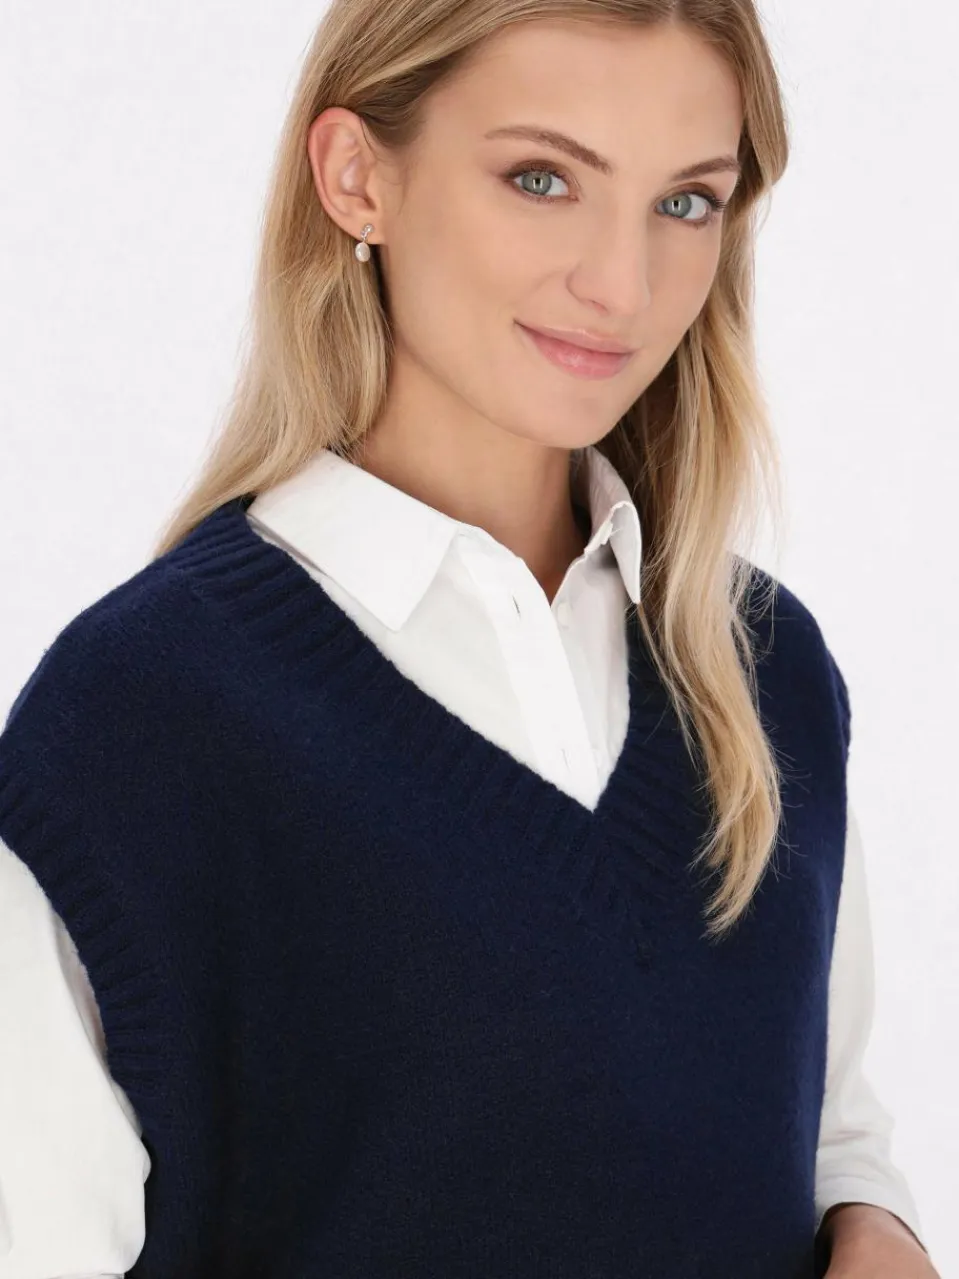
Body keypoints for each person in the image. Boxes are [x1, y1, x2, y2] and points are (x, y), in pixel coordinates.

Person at [0, 3, 939, 1277]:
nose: (621, 285)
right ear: (357, 176)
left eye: (684, 203)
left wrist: (874, 1225)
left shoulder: (761, 670)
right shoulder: (135, 723)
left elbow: (823, 1126)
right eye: (541, 179)